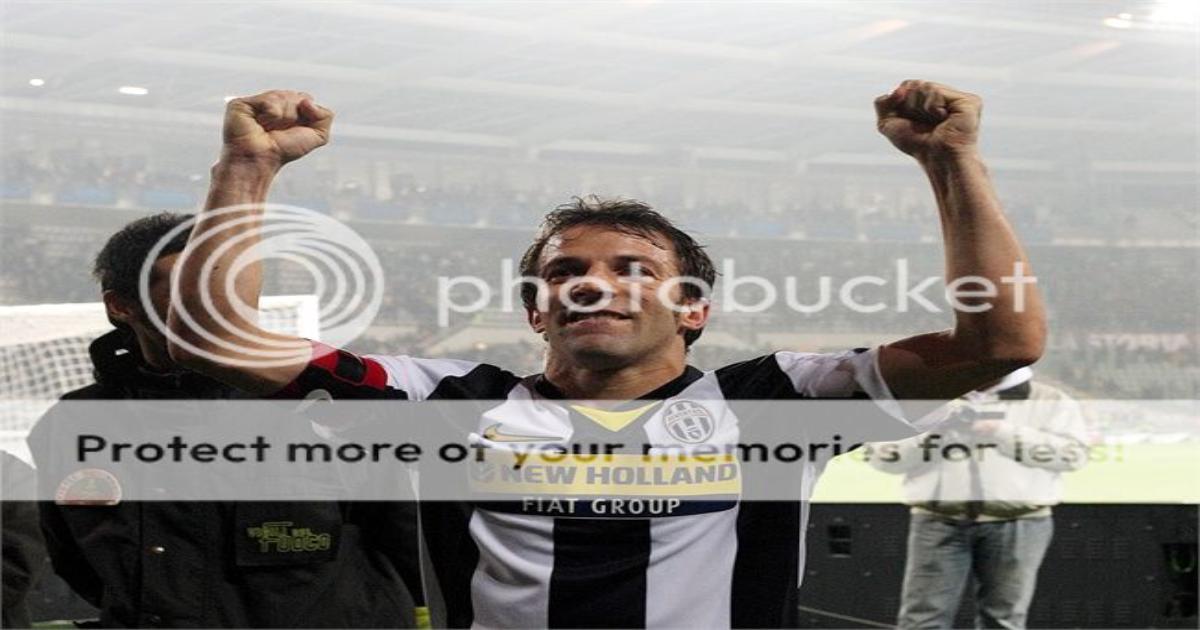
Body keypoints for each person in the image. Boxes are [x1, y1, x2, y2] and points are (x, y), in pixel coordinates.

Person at [167, 80, 1047, 628]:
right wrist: (246, 169)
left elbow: (1002, 344)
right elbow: (214, 339)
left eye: (634, 270)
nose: (594, 284)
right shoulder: (448, 403)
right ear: (535, 311)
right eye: (566, 273)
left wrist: (951, 164)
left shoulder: (775, 401)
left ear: (693, 309)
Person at [26, 213, 420, 628]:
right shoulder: (72, 426)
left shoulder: (326, 405)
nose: (215, 302)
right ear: (121, 306)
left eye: (228, 284)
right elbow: (79, 565)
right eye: (189, 287)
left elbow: (406, 546)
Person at [867, 367, 1088, 629]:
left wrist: (999, 431)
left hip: (1020, 520)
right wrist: (934, 431)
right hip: (938, 519)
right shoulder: (924, 398)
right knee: (922, 619)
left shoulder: (1050, 400)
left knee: (1003, 620)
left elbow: (1073, 456)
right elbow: (885, 457)